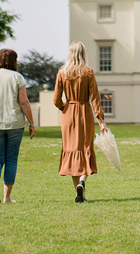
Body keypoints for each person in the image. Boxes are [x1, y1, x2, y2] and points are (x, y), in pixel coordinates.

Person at [0, 48, 36, 204]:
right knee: (11, 159)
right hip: (15, 124)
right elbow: (24, 102)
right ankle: (6, 197)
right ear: (14, 61)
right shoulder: (17, 77)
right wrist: (32, 123)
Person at [53, 40, 107, 203]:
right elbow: (95, 99)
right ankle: (82, 183)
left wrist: (66, 108)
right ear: (83, 54)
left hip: (68, 114)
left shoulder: (62, 72)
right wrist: (101, 121)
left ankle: (79, 189)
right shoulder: (88, 72)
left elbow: (56, 99)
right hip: (85, 112)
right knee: (85, 149)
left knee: (71, 150)